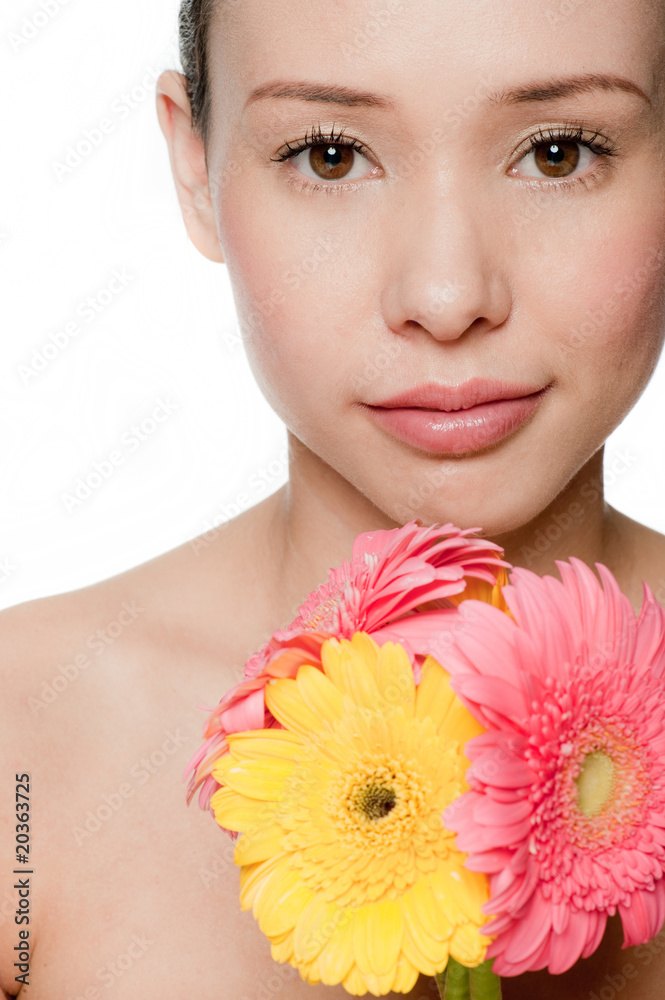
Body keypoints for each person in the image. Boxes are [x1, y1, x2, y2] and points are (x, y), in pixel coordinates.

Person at [2, 0, 665, 996]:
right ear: (196, 170)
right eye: (330, 156)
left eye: (557, 152)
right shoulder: (24, 750)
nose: (445, 297)